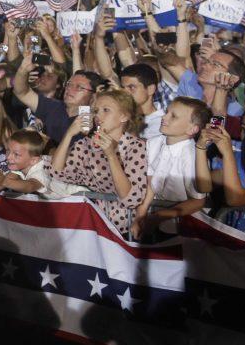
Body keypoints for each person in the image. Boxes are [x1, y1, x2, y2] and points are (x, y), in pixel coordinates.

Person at [47, 88, 149, 237]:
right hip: (92, 225)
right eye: (96, 111)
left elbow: (131, 198)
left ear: (124, 116)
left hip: (123, 230)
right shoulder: (85, 144)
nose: (98, 116)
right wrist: (69, 134)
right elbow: (56, 172)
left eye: (106, 110)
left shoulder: (136, 147)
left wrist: (111, 156)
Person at [134, 96, 212, 237]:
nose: (164, 117)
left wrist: (159, 216)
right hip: (157, 221)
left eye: (173, 116)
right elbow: (151, 180)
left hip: (185, 228)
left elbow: (198, 201)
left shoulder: (191, 155)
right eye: (166, 112)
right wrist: (143, 210)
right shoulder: (154, 142)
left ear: (192, 129)